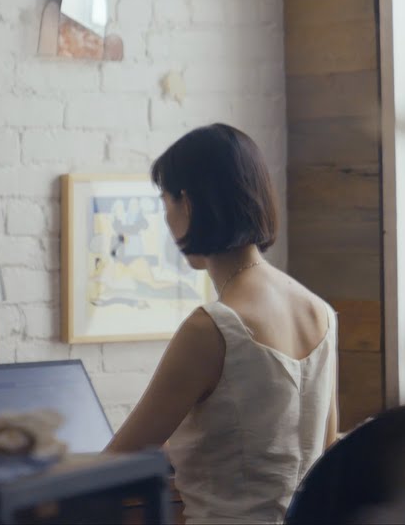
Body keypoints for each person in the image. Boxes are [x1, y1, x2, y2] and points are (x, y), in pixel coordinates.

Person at [106, 123, 339, 525]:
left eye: (166, 201)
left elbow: (114, 465)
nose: (165, 217)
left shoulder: (213, 328)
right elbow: (321, 447)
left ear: (188, 204)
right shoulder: (319, 311)